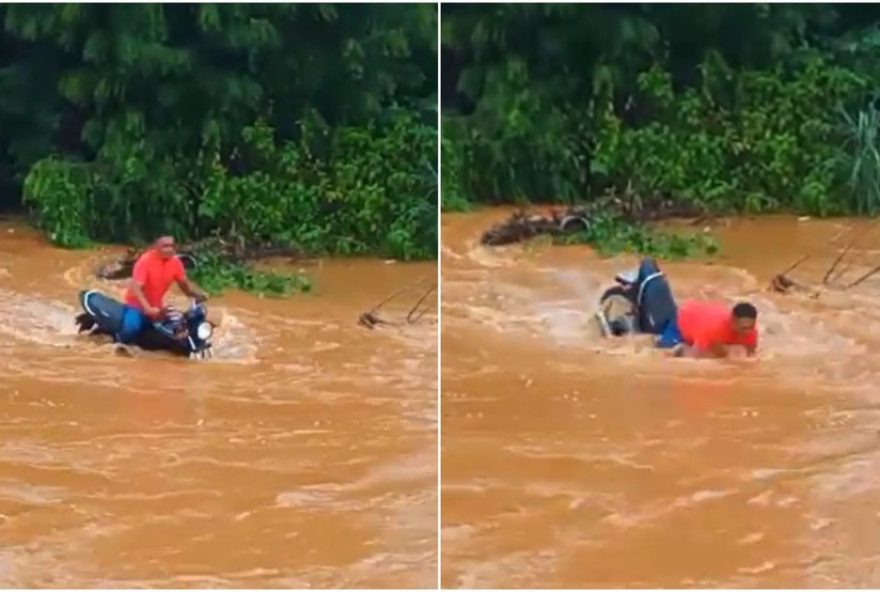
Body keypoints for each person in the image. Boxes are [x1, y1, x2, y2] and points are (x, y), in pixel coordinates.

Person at [118, 235, 206, 344]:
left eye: (171, 246)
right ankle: (118, 344)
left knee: (177, 326)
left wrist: (196, 295)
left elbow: (184, 284)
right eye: (165, 246)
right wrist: (147, 308)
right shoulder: (145, 261)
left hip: (157, 307)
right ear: (155, 246)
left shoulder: (176, 262)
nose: (169, 249)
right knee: (131, 328)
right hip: (136, 305)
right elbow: (137, 288)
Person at [668, 300, 759, 358]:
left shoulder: (752, 332)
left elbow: (749, 355)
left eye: (750, 327)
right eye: (743, 328)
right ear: (732, 320)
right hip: (682, 318)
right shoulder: (714, 329)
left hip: (705, 318)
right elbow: (697, 357)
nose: (747, 332)